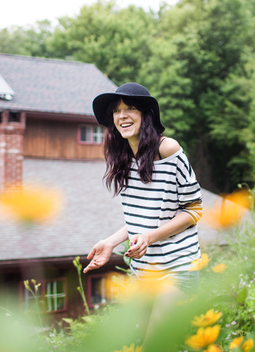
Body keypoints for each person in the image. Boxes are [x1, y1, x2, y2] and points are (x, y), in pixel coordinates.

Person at [83, 83, 203, 295]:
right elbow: (142, 218)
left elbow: (194, 210)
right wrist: (110, 243)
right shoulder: (123, 159)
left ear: (146, 114)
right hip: (142, 274)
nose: (122, 116)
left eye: (130, 108)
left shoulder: (168, 149)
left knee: (156, 330)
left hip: (178, 268)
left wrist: (150, 237)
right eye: (116, 111)